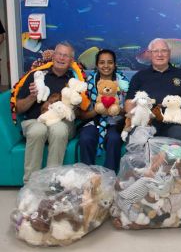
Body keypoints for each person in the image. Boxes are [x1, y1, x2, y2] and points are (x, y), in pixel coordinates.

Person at [16, 41, 77, 183]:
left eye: (66, 56)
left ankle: (52, 183)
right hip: (34, 120)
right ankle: (31, 184)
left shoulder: (73, 80)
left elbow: (79, 112)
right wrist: (32, 96)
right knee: (38, 130)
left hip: (62, 122)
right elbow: (18, 108)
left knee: (59, 130)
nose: (61, 58)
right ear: (53, 56)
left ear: (71, 60)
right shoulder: (35, 76)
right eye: (59, 54)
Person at [125, 38, 181, 155]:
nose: (160, 54)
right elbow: (128, 103)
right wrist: (136, 116)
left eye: (164, 51)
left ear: (169, 53)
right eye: (155, 51)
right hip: (146, 123)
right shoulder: (139, 76)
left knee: (180, 136)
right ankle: (140, 172)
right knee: (137, 139)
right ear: (150, 53)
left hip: (173, 124)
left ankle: (180, 172)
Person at [77, 49, 129, 173]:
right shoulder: (87, 83)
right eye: (102, 62)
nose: (106, 66)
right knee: (85, 138)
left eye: (110, 62)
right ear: (96, 65)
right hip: (93, 121)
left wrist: (116, 110)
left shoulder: (124, 83)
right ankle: (88, 178)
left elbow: (128, 111)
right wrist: (98, 110)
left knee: (114, 139)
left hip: (116, 122)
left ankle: (109, 179)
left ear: (115, 64)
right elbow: (82, 115)